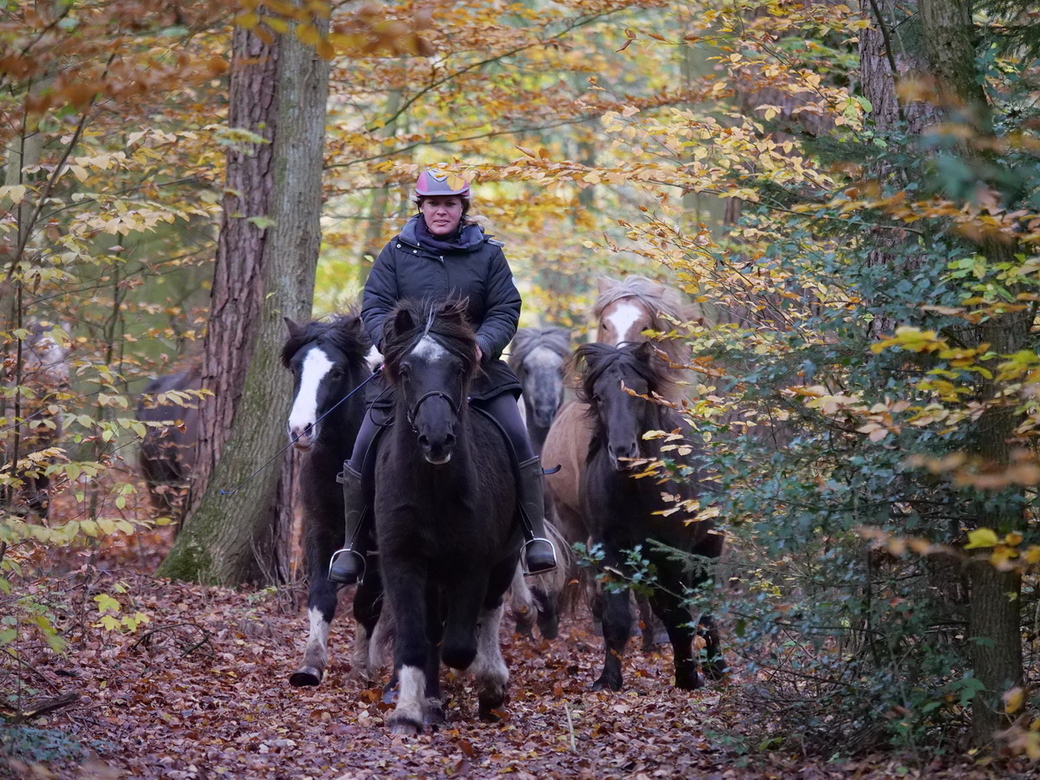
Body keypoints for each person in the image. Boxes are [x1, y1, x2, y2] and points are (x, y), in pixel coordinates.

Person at [328, 168, 558, 584]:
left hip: (476, 370)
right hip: (409, 372)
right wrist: (395, 347)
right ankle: (353, 544)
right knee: (362, 445)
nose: (441, 211)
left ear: (462, 208)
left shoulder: (488, 254)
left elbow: (506, 308)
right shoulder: (395, 252)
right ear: (421, 206)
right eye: (433, 203)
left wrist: (481, 345)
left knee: (518, 437)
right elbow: (375, 306)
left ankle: (533, 537)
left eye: (450, 204)